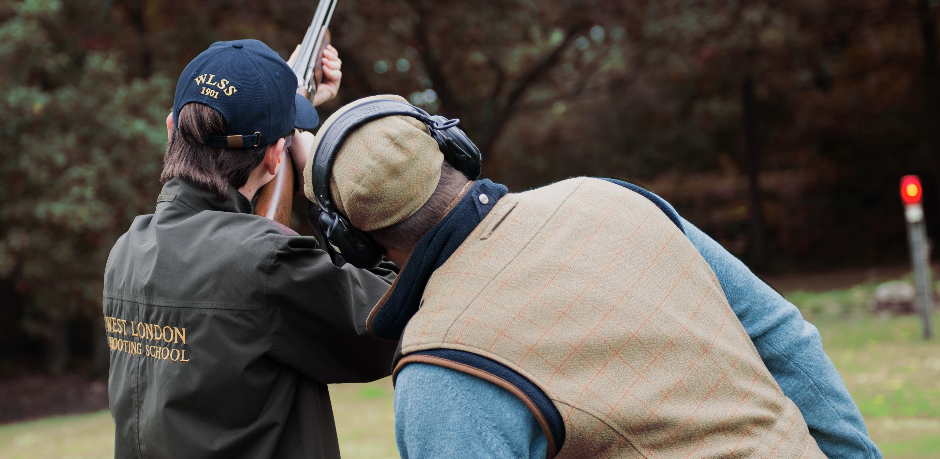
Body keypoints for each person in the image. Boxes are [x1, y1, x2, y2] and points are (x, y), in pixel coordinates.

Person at [298, 94, 883, 458]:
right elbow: (786, 338)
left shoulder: (440, 367)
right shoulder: (610, 198)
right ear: (455, 149)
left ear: (350, 241)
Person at [103, 39, 400, 459]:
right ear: (278, 155)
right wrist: (325, 177)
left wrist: (287, 102)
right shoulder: (264, 261)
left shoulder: (128, 249)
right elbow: (392, 315)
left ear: (172, 128)